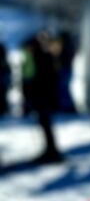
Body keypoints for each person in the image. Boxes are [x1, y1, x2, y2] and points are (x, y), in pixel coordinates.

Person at [25, 31, 64, 163]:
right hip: (45, 96)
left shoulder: (42, 57)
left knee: (46, 124)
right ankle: (50, 150)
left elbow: (41, 80)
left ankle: (51, 151)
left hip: (43, 97)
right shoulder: (47, 56)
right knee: (46, 124)